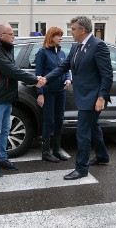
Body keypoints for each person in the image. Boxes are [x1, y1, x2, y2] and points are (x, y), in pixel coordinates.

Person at [44, 16, 113, 180]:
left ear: (83, 30)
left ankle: (81, 168)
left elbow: (107, 74)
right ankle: (102, 156)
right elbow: (63, 67)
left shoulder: (98, 46)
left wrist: (102, 97)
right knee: (93, 127)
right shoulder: (76, 47)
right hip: (83, 95)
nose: (71, 31)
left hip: (93, 97)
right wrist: (46, 78)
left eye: (73, 29)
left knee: (82, 133)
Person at [0, 24, 44, 178]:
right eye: (11, 34)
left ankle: (2, 159)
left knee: (4, 131)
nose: (13, 36)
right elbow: (11, 70)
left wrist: (32, 79)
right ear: (1, 35)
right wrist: (35, 79)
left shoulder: (6, 48)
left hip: (6, 98)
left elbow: (13, 71)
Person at [35, 27, 71, 163]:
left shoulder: (61, 53)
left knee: (59, 120)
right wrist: (40, 94)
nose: (60, 38)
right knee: (48, 121)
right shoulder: (42, 53)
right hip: (48, 92)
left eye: (61, 35)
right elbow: (38, 74)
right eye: (58, 36)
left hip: (61, 91)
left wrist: (68, 78)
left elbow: (65, 69)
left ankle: (56, 150)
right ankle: (45, 152)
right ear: (51, 37)